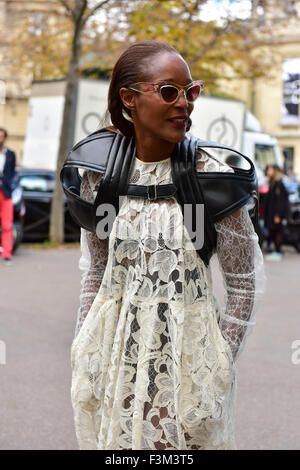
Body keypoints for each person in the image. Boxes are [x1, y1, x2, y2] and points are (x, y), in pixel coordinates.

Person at [70, 41, 266, 450]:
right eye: (168, 91)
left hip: (189, 374)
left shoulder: (212, 180)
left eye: (190, 91)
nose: (185, 104)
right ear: (129, 98)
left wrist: (217, 366)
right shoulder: (101, 177)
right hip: (113, 363)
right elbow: (97, 270)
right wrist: (82, 347)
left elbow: (243, 286)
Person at [264, 164, 289, 261]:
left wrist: (278, 214)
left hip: (276, 214)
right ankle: (277, 251)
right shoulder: (273, 183)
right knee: (273, 231)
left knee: (277, 231)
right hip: (272, 213)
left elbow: (280, 201)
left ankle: (278, 251)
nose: (268, 171)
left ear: (275, 171)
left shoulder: (279, 184)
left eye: (270, 169)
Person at [0, 127, 16, 266]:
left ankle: (6, 253)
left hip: (6, 192)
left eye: (1, 136)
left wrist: (10, 184)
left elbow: (12, 173)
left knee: (7, 225)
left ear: (5, 138)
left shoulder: (11, 154)